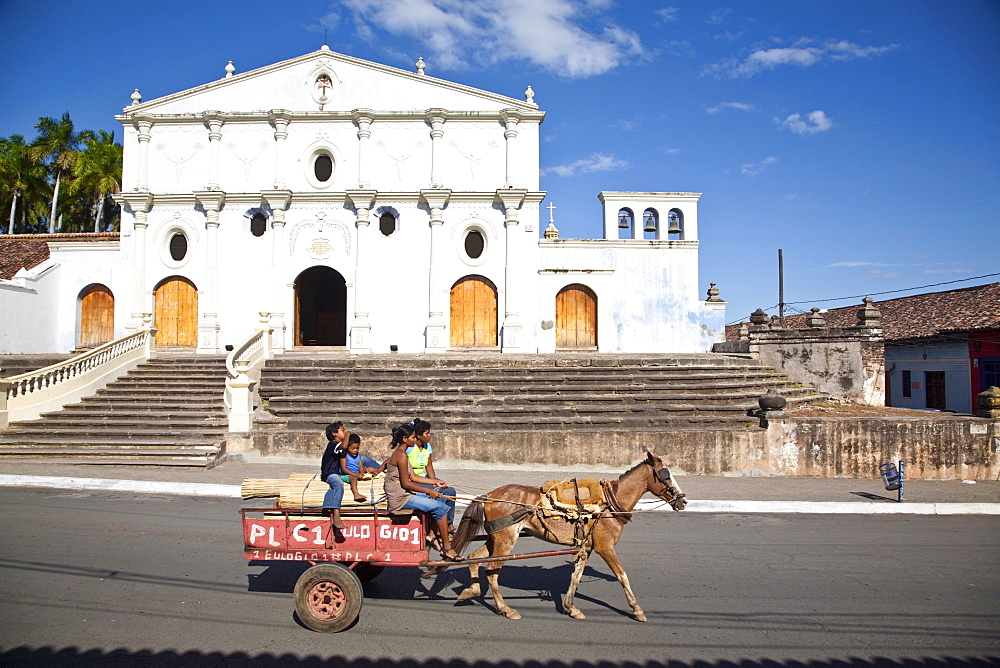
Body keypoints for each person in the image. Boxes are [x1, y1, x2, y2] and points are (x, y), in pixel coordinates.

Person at [383, 423, 463, 561]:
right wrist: (429, 491)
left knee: (441, 498)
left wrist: (435, 483)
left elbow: (413, 476)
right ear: (404, 439)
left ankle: (433, 533)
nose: (415, 440)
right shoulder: (400, 455)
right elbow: (406, 483)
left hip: (405, 494)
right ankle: (447, 548)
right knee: (441, 508)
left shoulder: (403, 453)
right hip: (400, 499)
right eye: (413, 438)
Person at [407, 417, 456, 532]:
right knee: (439, 493)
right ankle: (436, 527)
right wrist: (432, 483)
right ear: (419, 435)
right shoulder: (410, 448)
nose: (429, 436)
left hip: (424, 478)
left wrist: (434, 481)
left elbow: (429, 466)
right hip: (413, 480)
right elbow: (411, 475)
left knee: (450, 491)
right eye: (427, 433)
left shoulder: (427, 446)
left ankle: (449, 523)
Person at [338, 433, 384, 503]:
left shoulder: (358, 456)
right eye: (353, 448)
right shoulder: (344, 456)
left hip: (357, 473)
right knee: (353, 479)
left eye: (357, 448)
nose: (355, 450)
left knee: (371, 469)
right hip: (346, 475)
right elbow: (344, 469)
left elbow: (360, 466)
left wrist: (363, 473)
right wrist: (356, 475)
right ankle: (356, 494)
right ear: (347, 447)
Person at [320, 421, 349, 529]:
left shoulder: (340, 447)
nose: (345, 432)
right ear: (334, 434)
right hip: (329, 474)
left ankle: (327, 505)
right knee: (338, 484)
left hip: (337, 473)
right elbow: (344, 445)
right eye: (342, 430)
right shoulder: (333, 444)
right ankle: (336, 513)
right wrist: (348, 435)